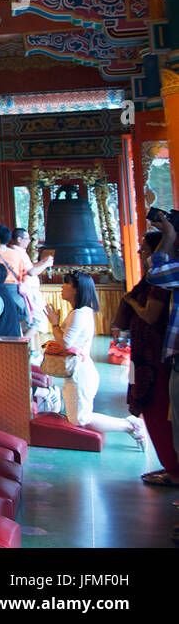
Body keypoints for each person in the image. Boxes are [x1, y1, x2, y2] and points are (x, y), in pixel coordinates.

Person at [47, 270, 145, 445]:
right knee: (77, 418)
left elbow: (66, 344)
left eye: (66, 284)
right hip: (79, 371)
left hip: (81, 373)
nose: (62, 287)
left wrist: (54, 323)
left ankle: (129, 425)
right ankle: (129, 424)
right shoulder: (79, 312)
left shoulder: (79, 313)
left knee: (80, 420)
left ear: (77, 289)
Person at [113, 231, 179, 485]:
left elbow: (151, 316)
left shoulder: (161, 282)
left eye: (144, 249)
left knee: (160, 410)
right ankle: (169, 466)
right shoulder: (148, 282)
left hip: (157, 358)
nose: (139, 253)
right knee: (151, 411)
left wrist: (130, 301)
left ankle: (174, 469)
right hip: (142, 356)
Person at [133, 211, 179, 545]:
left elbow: (159, 275)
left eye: (145, 250)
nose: (143, 256)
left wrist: (170, 238)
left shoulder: (166, 272)